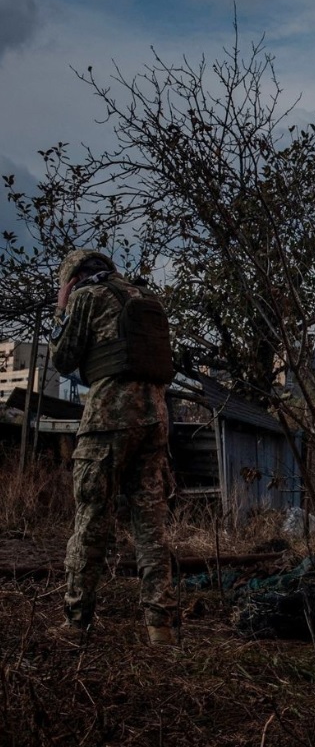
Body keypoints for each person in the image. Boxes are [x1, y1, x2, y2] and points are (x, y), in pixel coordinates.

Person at [48, 249, 179, 646]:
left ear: (72, 277)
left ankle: (76, 621)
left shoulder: (87, 297)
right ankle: (160, 628)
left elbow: (63, 359)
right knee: (150, 526)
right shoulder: (143, 297)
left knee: (91, 519)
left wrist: (61, 308)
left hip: (109, 420)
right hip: (155, 418)